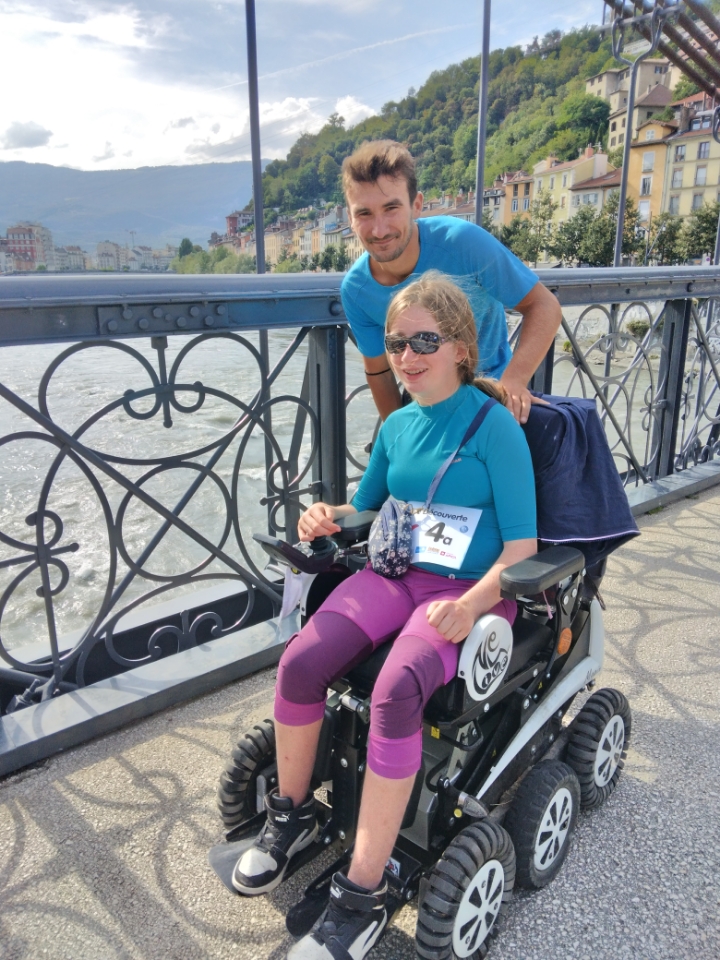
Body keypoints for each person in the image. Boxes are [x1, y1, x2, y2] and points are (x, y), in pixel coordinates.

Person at [232, 272, 537, 960]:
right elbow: (365, 508)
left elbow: (523, 547)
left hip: (466, 592)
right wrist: (324, 514)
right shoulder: (398, 424)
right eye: (397, 343)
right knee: (301, 662)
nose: (406, 355)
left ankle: (363, 890)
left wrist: (471, 604)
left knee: (397, 689)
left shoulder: (496, 428)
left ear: (461, 347)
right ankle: (291, 815)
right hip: (397, 575)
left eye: (424, 341)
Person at [340, 139, 562, 424]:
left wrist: (514, 381)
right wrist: (399, 435)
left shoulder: (463, 242)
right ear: (350, 218)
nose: (379, 230)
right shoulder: (356, 290)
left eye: (391, 208)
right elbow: (379, 370)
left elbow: (544, 305)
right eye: (364, 213)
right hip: (427, 412)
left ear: (416, 205)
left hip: (492, 401)